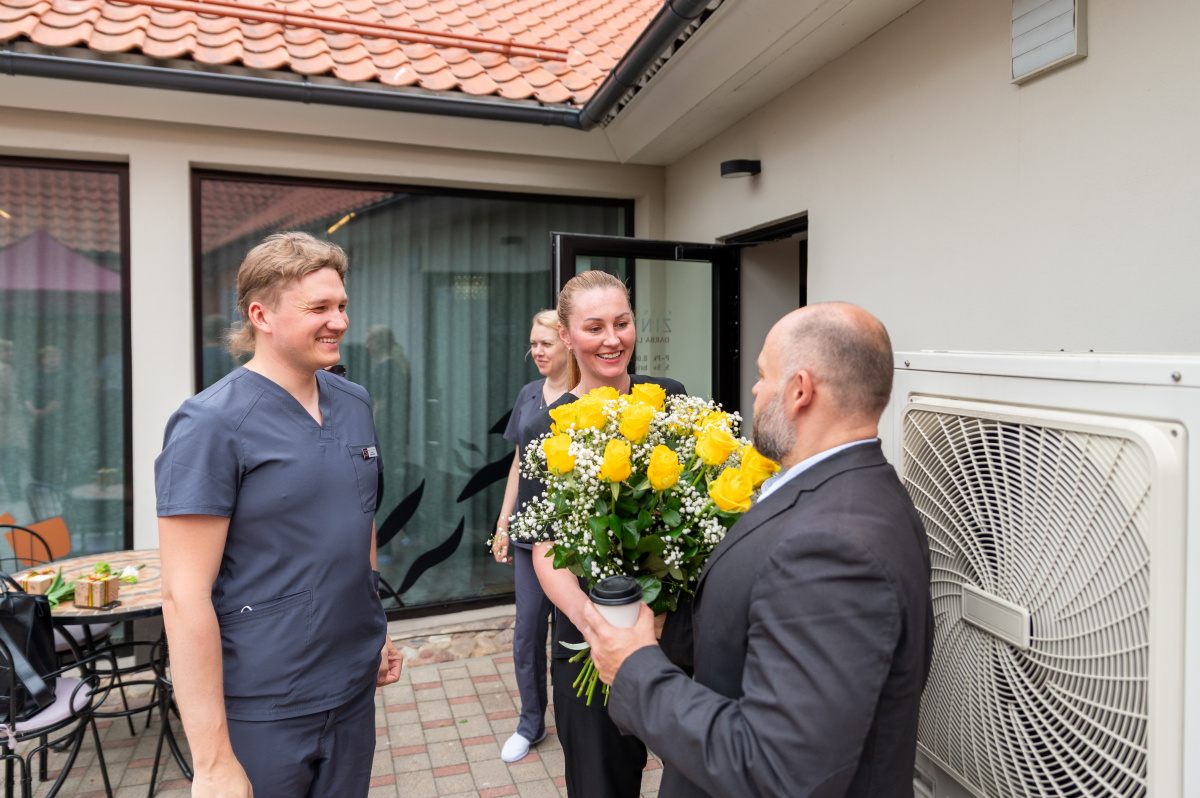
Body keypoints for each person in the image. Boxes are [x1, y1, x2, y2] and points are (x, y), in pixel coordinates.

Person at [579, 303, 933, 798]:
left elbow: (778, 768)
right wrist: (669, 631)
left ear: (800, 390)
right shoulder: (862, 489)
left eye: (764, 375)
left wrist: (635, 668)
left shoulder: (834, 548)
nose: (755, 389)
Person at [155, 232, 403, 798]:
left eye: (341, 305)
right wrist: (213, 761)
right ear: (260, 315)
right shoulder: (209, 425)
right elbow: (183, 595)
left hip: (352, 685)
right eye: (319, 308)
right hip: (264, 702)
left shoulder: (354, 402)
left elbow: (359, 517)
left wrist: (377, 625)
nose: (339, 321)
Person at [517, 270, 686, 798]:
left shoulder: (669, 399)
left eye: (622, 322)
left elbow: (691, 513)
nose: (612, 339)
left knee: (699, 777)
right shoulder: (544, 427)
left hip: (675, 634)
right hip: (586, 638)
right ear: (566, 336)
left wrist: (658, 616)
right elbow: (545, 548)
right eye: (594, 327)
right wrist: (599, 631)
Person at [491, 309, 571, 763]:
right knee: (527, 633)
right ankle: (531, 724)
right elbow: (519, 463)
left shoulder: (586, 396)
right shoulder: (528, 394)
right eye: (533, 344)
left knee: (572, 634)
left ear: (567, 344)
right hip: (528, 532)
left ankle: (583, 723)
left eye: (546, 344)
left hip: (572, 536)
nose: (537, 352)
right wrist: (503, 522)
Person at [0, 340, 26, 502]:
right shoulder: (5, 370)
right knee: (10, 457)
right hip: (6, 423)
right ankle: (14, 493)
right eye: (6, 350)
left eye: (11, 350)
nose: (11, 353)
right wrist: (19, 409)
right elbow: (10, 396)